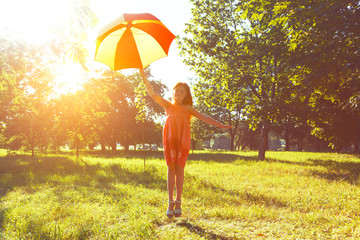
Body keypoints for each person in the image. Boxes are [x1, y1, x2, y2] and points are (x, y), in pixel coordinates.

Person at [140, 70, 232, 218]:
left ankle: (179, 202)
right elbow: (153, 94)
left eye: (181, 92)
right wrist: (144, 77)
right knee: (171, 169)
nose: (178, 93)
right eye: (176, 91)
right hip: (170, 141)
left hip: (182, 142)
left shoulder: (188, 109)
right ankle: (170, 201)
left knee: (180, 170)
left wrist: (221, 125)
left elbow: (205, 117)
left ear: (185, 95)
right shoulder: (168, 105)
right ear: (173, 93)